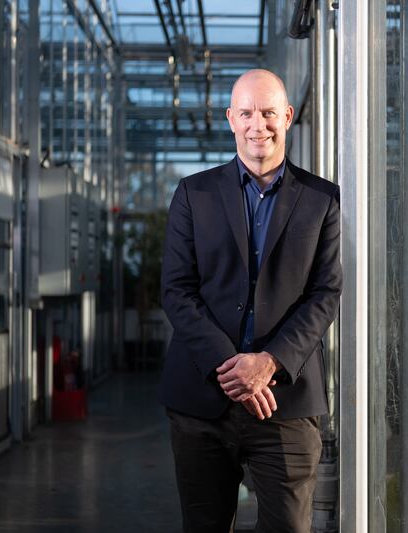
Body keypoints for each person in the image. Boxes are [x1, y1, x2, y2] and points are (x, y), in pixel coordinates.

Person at [159, 69, 342, 533]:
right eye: (246, 113)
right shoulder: (192, 194)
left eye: (267, 112)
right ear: (230, 119)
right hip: (203, 399)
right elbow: (177, 289)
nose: (257, 124)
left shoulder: (323, 199)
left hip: (286, 403)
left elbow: (325, 292)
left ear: (288, 115)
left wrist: (269, 362)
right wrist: (233, 367)